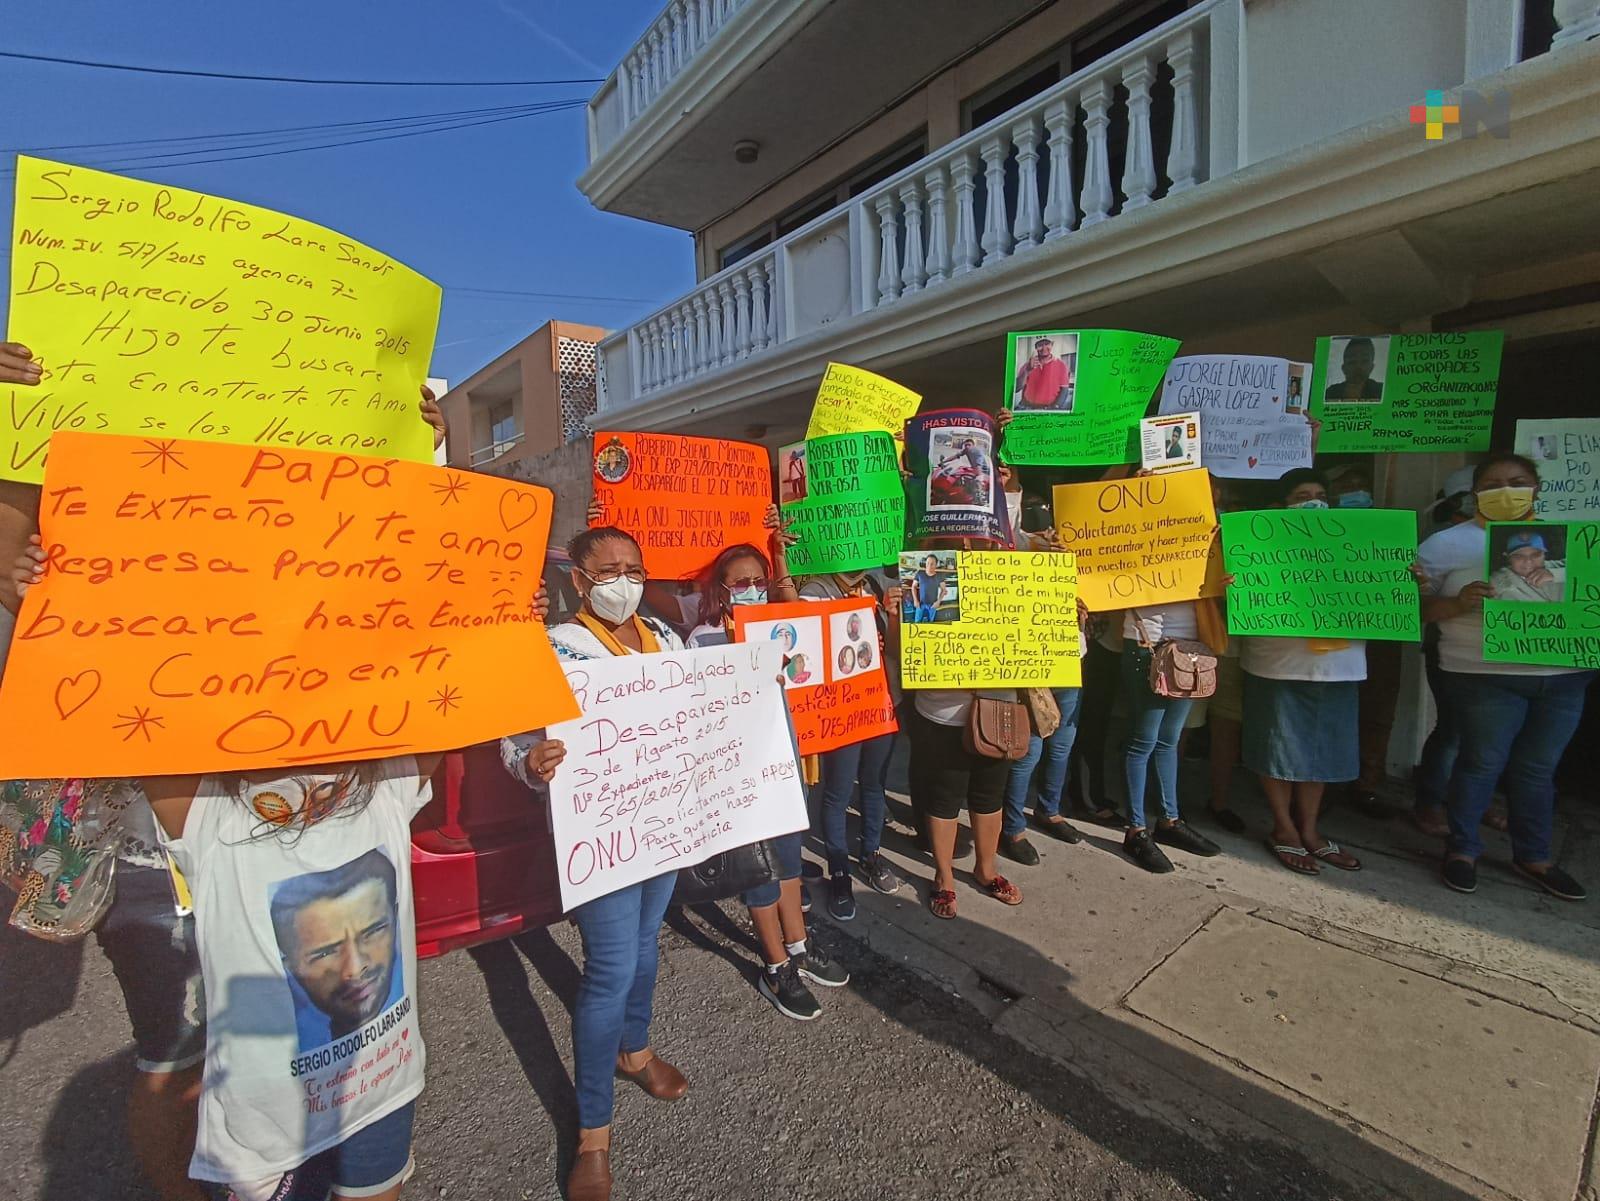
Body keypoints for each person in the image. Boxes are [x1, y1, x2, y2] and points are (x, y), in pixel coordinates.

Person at [501, 525, 689, 1201]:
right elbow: (515, 734)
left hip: (664, 825)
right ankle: (592, 1134)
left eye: (633, 567)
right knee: (610, 967)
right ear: (579, 581)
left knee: (644, 948)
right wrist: (529, 762)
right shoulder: (556, 645)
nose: (624, 580)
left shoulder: (667, 639)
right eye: (608, 569)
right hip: (602, 834)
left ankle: (634, 1050)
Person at [686, 535, 851, 1020]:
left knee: (788, 859)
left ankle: (799, 944)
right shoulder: (704, 637)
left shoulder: (783, 626)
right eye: (742, 583)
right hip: (742, 772)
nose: (753, 589)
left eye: (759, 581)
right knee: (758, 866)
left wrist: (779, 554)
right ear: (722, 588)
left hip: (787, 762)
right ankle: (775, 965)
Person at [1418, 452, 1592, 901]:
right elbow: (1415, 610)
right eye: (1493, 484)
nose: (1505, 490)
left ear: (1537, 487)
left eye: (1517, 481)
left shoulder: (1579, 539)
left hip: (1564, 675)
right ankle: (1462, 850)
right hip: (1483, 675)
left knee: (1538, 769)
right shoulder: (1445, 545)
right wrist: (1458, 604)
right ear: (1475, 493)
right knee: (1481, 763)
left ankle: (1534, 855)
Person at [1239, 470, 1370, 874]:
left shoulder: (1357, 542)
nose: (1313, 501)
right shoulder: (1256, 541)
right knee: (1276, 746)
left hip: (1338, 663)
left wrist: (1400, 582)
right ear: (1281, 506)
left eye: (1320, 494)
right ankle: (1284, 828)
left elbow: (1377, 589)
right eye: (1302, 495)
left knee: (1324, 750)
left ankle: (1310, 830)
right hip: (1277, 660)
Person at [798, 567, 904, 919]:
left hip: (881, 705)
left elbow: (895, 652)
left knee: (874, 785)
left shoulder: (875, 586)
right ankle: (839, 869)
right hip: (842, 711)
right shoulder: (815, 589)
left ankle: (871, 853)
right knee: (838, 792)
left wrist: (893, 616)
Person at [1488, 531, 1565, 602]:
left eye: (1535, 555)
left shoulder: (1558, 566)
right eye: (1519, 556)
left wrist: (1556, 574)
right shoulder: (1497, 581)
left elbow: (1575, 568)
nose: (1528, 561)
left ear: (1544, 554)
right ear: (1508, 557)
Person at [1013, 336, 1072, 410]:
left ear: (1052, 345)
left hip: (1048, 408)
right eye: (1040, 345)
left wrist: (1056, 407)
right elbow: (1016, 389)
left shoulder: (1061, 365)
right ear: (1036, 347)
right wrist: (1027, 370)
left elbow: (1064, 390)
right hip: (1025, 406)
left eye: (1047, 344)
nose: (1044, 348)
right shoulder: (1027, 365)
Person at [1324, 337, 1383, 401]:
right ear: (1344, 368)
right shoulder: (1330, 393)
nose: (1358, 366)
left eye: (1364, 361)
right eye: (1352, 362)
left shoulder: (1381, 390)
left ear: (1371, 367)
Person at [910, 554, 946, 622]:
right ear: (925, 563)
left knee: (930, 622)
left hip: (933, 605)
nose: (929, 565)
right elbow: (913, 586)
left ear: (936, 565)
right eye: (928, 563)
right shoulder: (920, 573)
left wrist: (938, 602)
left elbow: (944, 589)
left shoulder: (939, 576)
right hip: (920, 604)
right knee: (917, 621)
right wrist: (915, 600)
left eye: (932, 564)